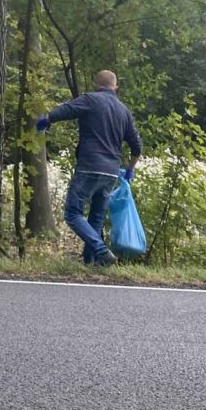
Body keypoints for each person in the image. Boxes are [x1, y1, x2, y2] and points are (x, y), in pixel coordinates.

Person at [36, 70, 142, 266]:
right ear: (115, 88)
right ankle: (90, 263)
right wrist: (130, 169)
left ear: (97, 85)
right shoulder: (123, 111)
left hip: (89, 166)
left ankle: (101, 251)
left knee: (72, 213)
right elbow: (137, 145)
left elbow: (65, 110)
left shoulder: (91, 99)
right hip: (111, 171)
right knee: (96, 219)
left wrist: (47, 119)